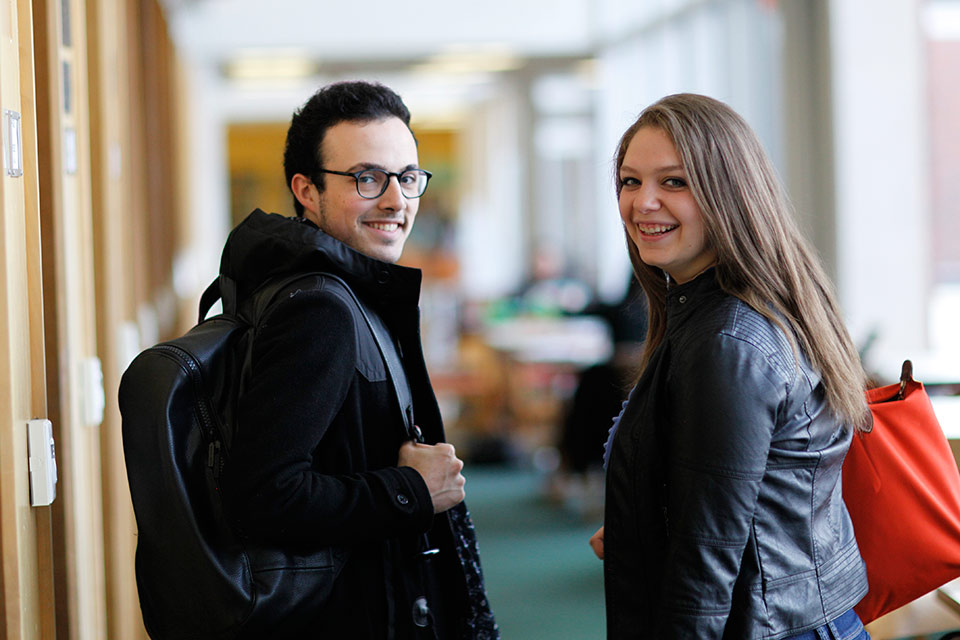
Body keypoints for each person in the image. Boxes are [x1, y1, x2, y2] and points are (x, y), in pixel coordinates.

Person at [217, 80, 498, 639]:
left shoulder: (337, 287)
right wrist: (412, 490)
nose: (396, 201)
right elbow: (262, 496)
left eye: (407, 178)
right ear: (306, 189)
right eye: (367, 179)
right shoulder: (320, 308)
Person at [590, 93, 872, 639]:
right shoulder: (726, 308)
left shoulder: (727, 340)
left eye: (674, 182)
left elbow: (707, 558)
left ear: (729, 193)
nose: (643, 202)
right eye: (630, 181)